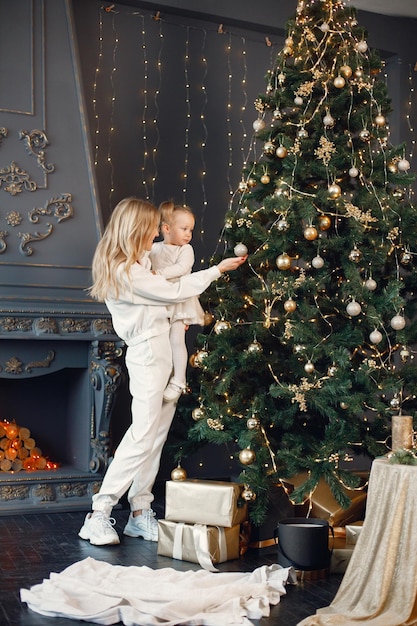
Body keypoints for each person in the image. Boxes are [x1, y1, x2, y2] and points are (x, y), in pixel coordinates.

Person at [78, 197, 246, 546]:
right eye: (152, 227)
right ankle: (99, 512)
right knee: (142, 435)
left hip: (163, 353)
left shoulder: (141, 261)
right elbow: (175, 291)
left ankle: (140, 512)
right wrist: (217, 270)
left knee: (154, 438)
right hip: (148, 355)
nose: (157, 233)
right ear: (136, 230)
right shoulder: (126, 271)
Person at [149, 201, 203, 402]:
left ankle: (179, 380)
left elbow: (181, 269)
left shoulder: (185, 250)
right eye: (184, 229)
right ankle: (161, 379)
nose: (188, 234)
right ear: (166, 229)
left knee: (176, 340)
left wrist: (157, 273)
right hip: (160, 302)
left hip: (180, 300)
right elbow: (143, 261)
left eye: (191, 229)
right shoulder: (154, 248)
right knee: (160, 342)